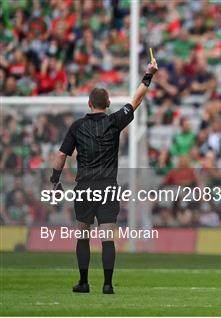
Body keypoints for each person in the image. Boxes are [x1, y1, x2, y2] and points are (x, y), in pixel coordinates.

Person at [49, 58, 159, 294]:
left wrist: (55, 180)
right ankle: (108, 285)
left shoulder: (77, 126)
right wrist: (148, 74)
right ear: (108, 103)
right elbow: (137, 99)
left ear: (89, 104)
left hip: (85, 186)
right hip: (108, 187)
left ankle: (84, 282)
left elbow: (61, 155)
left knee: (82, 234)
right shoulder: (114, 122)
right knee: (108, 236)